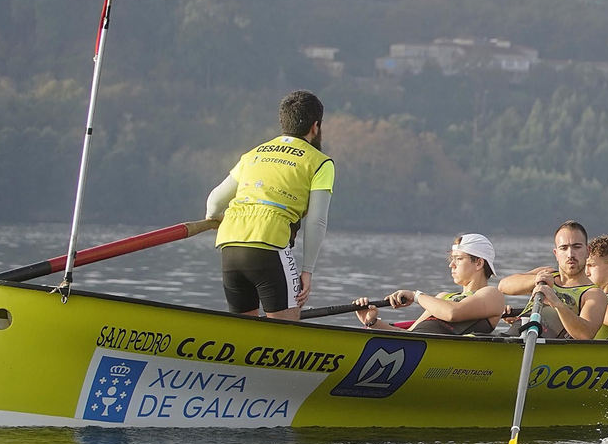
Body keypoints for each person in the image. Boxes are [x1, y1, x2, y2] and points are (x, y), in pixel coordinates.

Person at [206, 90, 332, 321]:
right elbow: (317, 221)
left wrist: (214, 219)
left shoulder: (253, 154)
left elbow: (214, 201)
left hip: (229, 244)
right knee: (285, 328)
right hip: (269, 244)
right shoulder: (320, 162)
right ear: (316, 126)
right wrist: (307, 271)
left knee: (245, 332)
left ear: (283, 122)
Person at [357, 233, 505, 334]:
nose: (451, 265)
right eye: (452, 259)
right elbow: (409, 335)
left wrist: (416, 296)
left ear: (478, 263)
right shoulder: (442, 297)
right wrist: (372, 322)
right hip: (415, 346)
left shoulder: (492, 294)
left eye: (459, 259)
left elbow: (452, 313)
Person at [497, 220, 607, 339]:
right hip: (511, 337)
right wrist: (536, 280)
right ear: (556, 254)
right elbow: (503, 286)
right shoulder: (547, 273)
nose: (570, 254)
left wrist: (556, 302)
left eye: (577, 247)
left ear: (587, 251)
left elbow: (585, 334)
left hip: (541, 346)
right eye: (564, 248)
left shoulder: (594, 294)